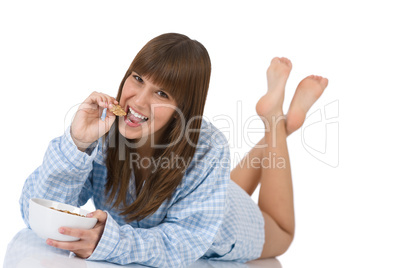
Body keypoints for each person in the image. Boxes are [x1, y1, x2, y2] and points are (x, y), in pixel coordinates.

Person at [19, 33, 328, 267]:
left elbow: (184, 243)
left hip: (226, 222)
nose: (137, 101)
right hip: (205, 197)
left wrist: (110, 242)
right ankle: (281, 121)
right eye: (138, 78)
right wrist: (78, 142)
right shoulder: (104, 128)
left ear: (185, 106)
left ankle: (275, 120)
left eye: (162, 92)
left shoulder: (208, 147)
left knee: (283, 233)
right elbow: (37, 211)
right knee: (223, 184)